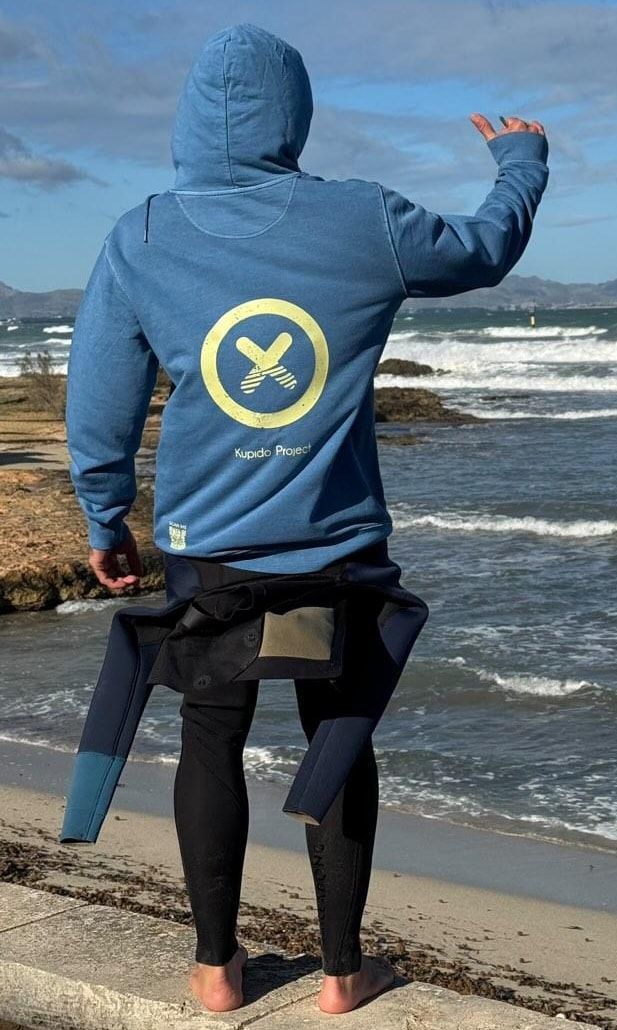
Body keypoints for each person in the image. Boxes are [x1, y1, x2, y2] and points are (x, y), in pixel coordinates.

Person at [65, 22, 548, 1016]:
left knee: (211, 732)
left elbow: (100, 400)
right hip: (334, 553)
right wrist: (518, 164)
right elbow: (485, 248)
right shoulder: (359, 220)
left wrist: (104, 516)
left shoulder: (143, 233)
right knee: (336, 735)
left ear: (188, 120)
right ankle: (340, 973)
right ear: (297, 116)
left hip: (211, 550)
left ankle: (215, 970)